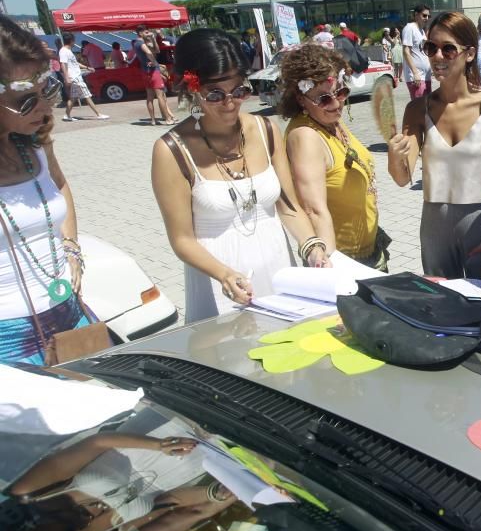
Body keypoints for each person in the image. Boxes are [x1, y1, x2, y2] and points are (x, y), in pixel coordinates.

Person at [150, 28, 330, 324]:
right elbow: (182, 239)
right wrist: (224, 275)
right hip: (219, 281)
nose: (231, 102)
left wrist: (312, 246)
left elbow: (288, 206)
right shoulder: (171, 150)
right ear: (192, 88)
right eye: (216, 94)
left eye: (240, 90)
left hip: (276, 267)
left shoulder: (266, 130)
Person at [387, 12, 481, 280]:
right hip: (434, 225)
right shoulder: (417, 109)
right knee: (442, 304)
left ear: (469, 54)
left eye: (448, 49)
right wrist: (393, 156)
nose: (437, 57)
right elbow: (402, 178)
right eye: (430, 47)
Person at [0, 16, 95, 365]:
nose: (42, 108)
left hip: (69, 312)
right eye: (26, 100)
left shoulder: (34, 143)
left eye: (49, 89)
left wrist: (71, 246)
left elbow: (59, 185)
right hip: (8, 341)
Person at [279, 44, 390, 271]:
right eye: (324, 99)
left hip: (369, 249)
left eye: (340, 92)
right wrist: (331, 266)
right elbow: (314, 209)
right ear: (301, 99)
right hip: (344, 261)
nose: (337, 103)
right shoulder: (306, 137)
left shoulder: (329, 121)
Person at [58, 33, 108, 122]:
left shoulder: (67, 51)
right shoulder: (64, 51)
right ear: (71, 41)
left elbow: (75, 63)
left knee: (73, 97)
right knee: (87, 95)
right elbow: (63, 64)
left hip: (75, 76)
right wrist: (66, 78)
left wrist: (87, 67)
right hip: (74, 77)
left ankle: (67, 115)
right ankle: (98, 114)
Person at [133, 26, 176, 126]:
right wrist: (154, 62)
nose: (148, 33)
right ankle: (168, 119)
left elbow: (157, 50)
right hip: (153, 72)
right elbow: (149, 52)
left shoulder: (138, 43)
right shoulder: (141, 43)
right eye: (146, 32)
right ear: (140, 33)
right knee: (160, 96)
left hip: (145, 72)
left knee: (150, 97)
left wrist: (152, 37)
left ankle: (153, 120)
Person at [402, 5, 432, 99]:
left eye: (428, 16)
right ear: (416, 14)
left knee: (428, 107)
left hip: (426, 76)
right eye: (424, 15)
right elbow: (406, 51)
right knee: (420, 108)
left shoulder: (422, 31)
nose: (426, 18)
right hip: (416, 77)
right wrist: (415, 73)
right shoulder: (409, 28)